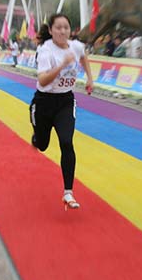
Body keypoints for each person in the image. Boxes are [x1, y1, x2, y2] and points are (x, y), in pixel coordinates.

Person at [30, 14, 95, 210]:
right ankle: (36, 136)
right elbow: (42, 81)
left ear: (70, 30)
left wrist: (90, 79)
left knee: (67, 142)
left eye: (66, 27)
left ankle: (68, 193)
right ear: (50, 31)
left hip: (65, 101)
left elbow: (83, 58)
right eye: (58, 28)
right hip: (44, 103)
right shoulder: (45, 50)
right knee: (42, 145)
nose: (62, 31)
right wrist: (61, 65)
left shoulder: (75, 46)